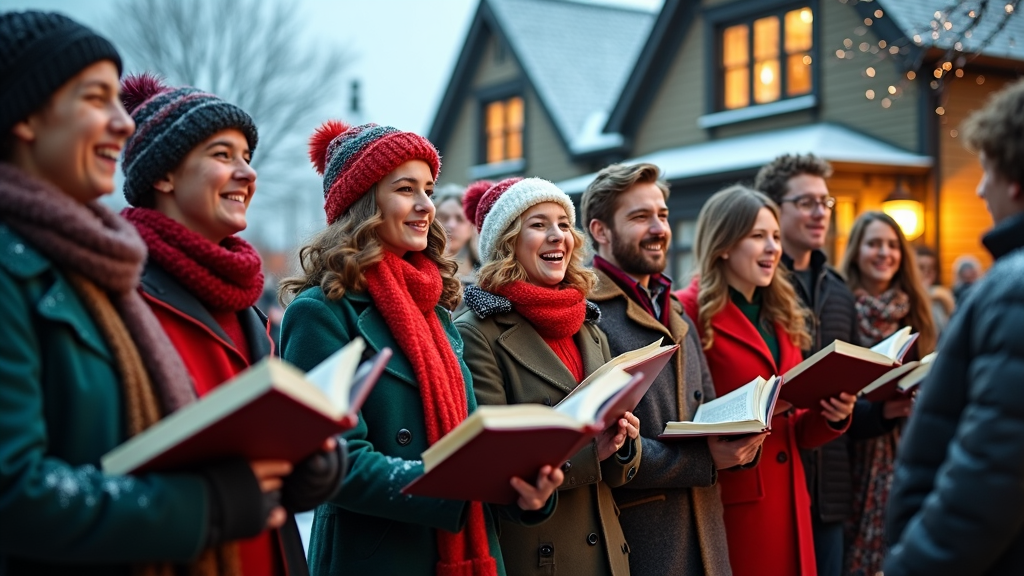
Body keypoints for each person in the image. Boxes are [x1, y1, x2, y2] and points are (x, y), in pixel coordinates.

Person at [0, 11, 286, 575]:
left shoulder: (97, 269)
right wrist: (204, 505)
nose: (122, 123)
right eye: (94, 98)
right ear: (29, 115)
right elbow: (17, 490)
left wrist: (300, 464)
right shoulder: (48, 274)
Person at [278, 122, 561, 576]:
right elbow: (328, 461)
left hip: (472, 550)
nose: (426, 205)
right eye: (406, 189)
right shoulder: (321, 313)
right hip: (378, 557)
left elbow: (472, 440)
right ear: (364, 202)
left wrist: (524, 490)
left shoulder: (436, 312)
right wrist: (453, 487)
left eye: (428, 189)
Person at [118, 73, 345, 575]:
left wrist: (315, 463)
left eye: (247, 156)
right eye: (223, 156)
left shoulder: (245, 304)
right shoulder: (120, 296)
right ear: (164, 175)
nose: (248, 173)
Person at [582, 163, 763, 576]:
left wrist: (741, 438)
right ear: (600, 230)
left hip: (707, 534)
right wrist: (707, 459)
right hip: (644, 540)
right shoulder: (586, 313)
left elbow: (708, 407)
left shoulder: (673, 306)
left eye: (661, 214)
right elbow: (605, 448)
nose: (659, 227)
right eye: (640, 216)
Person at [456, 176, 642, 576]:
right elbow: (494, 465)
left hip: (609, 557)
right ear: (508, 242)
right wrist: (593, 451)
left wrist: (625, 441)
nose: (558, 235)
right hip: (540, 556)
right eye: (539, 224)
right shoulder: (478, 332)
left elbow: (613, 470)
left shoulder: (587, 324)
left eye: (562, 223)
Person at [675, 185, 856, 576]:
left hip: (792, 496)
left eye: (775, 236)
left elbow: (796, 430)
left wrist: (832, 416)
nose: (773, 247)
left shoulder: (782, 312)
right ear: (723, 244)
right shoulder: (687, 311)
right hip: (737, 501)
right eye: (758, 236)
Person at [885, 79, 1024, 576]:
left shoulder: (1013, 288)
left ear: (1014, 181)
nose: (980, 189)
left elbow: (994, 472)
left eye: (986, 171)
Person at [753, 153, 860, 576]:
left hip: (830, 485)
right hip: (772, 481)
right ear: (774, 208)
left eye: (825, 203)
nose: (820, 213)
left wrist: (866, 408)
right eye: (806, 202)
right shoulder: (757, 284)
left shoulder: (839, 290)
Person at [838, 211, 936, 576]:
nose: (884, 253)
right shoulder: (840, 307)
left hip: (908, 450)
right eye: (874, 244)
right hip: (852, 457)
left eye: (892, 245)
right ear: (856, 251)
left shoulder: (918, 310)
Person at [434, 182, 481, 286]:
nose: (451, 225)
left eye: (460, 219)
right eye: (443, 217)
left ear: (472, 227)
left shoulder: (486, 277)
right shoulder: (419, 268)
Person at [914, 245, 955, 334]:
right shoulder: (903, 298)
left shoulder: (942, 295)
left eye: (931, 268)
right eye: (921, 267)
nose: (926, 272)